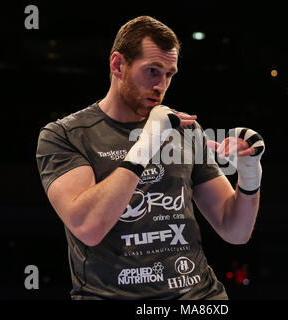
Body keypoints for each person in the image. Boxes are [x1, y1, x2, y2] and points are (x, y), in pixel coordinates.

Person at [36, 15, 265, 300]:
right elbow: (88, 227)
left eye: (169, 74)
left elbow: (235, 231)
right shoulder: (65, 135)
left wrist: (249, 172)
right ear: (118, 65)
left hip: (198, 297)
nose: (161, 85)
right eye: (152, 71)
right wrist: (148, 141)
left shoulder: (184, 129)